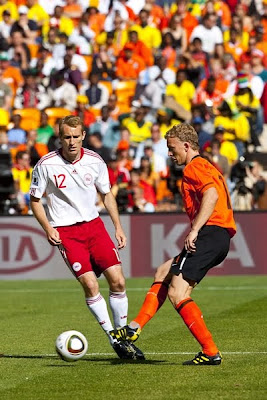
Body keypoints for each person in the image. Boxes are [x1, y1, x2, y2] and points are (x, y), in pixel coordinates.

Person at [111, 123, 236, 365]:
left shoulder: (194, 167)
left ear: (187, 146)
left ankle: (210, 351)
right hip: (217, 235)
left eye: (172, 148)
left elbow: (211, 195)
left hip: (210, 233)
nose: (169, 153)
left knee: (178, 292)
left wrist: (195, 230)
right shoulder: (205, 165)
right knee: (163, 272)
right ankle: (134, 328)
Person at [29, 115, 144, 360]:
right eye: (66, 137)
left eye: (75, 136)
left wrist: (118, 226)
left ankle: (123, 336)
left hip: (94, 227)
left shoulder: (94, 160)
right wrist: (48, 228)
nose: (71, 142)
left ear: (83, 136)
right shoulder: (46, 164)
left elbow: (107, 193)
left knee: (119, 282)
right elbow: (35, 200)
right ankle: (115, 338)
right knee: (91, 285)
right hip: (67, 233)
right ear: (60, 138)